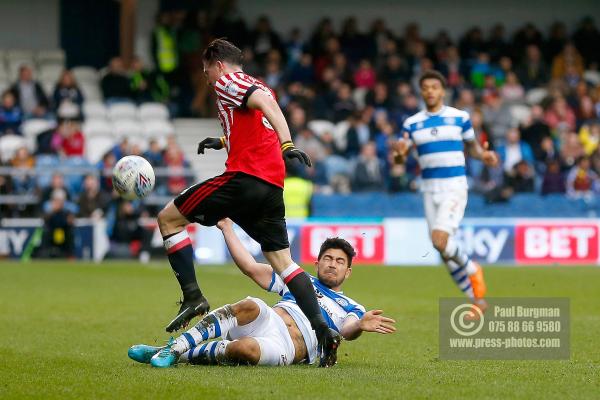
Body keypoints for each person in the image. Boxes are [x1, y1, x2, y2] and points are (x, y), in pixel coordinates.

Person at [156, 39, 340, 366]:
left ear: (219, 65)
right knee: (284, 264)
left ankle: (193, 297)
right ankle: (322, 329)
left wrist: (287, 143)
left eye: (206, 71)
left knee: (168, 219)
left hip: (245, 179)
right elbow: (258, 123)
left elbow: (269, 107)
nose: (207, 78)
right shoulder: (254, 82)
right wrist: (224, 140)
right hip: (271, 187)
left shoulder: (230, 81)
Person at [128, 220, 395, 367]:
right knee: (250, 304)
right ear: (317, 262)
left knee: (245, 350)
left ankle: (170, 352)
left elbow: (347, 330)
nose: (332, 264)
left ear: (348, 272)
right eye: (327, 258)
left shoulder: (351, 306)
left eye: (339, 261)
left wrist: (360, 325)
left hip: (288, 347)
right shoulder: (299, 280)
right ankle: (177, 345)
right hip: (270, 319)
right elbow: (250, 267)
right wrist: (227, 228)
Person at [392, 70, 499, 313]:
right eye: (425, 87)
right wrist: (398, 154)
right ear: (421, 92)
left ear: (442, 91)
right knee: (443, 251)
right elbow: (400, 161)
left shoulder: (460, 117)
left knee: (440, 241)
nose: (430, 91)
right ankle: (477, 300)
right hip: (429, 190)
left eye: (434, 87)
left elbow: (473, 149)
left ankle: (473, 269)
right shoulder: (412, 124)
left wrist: (486, 156)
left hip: (454, 186)